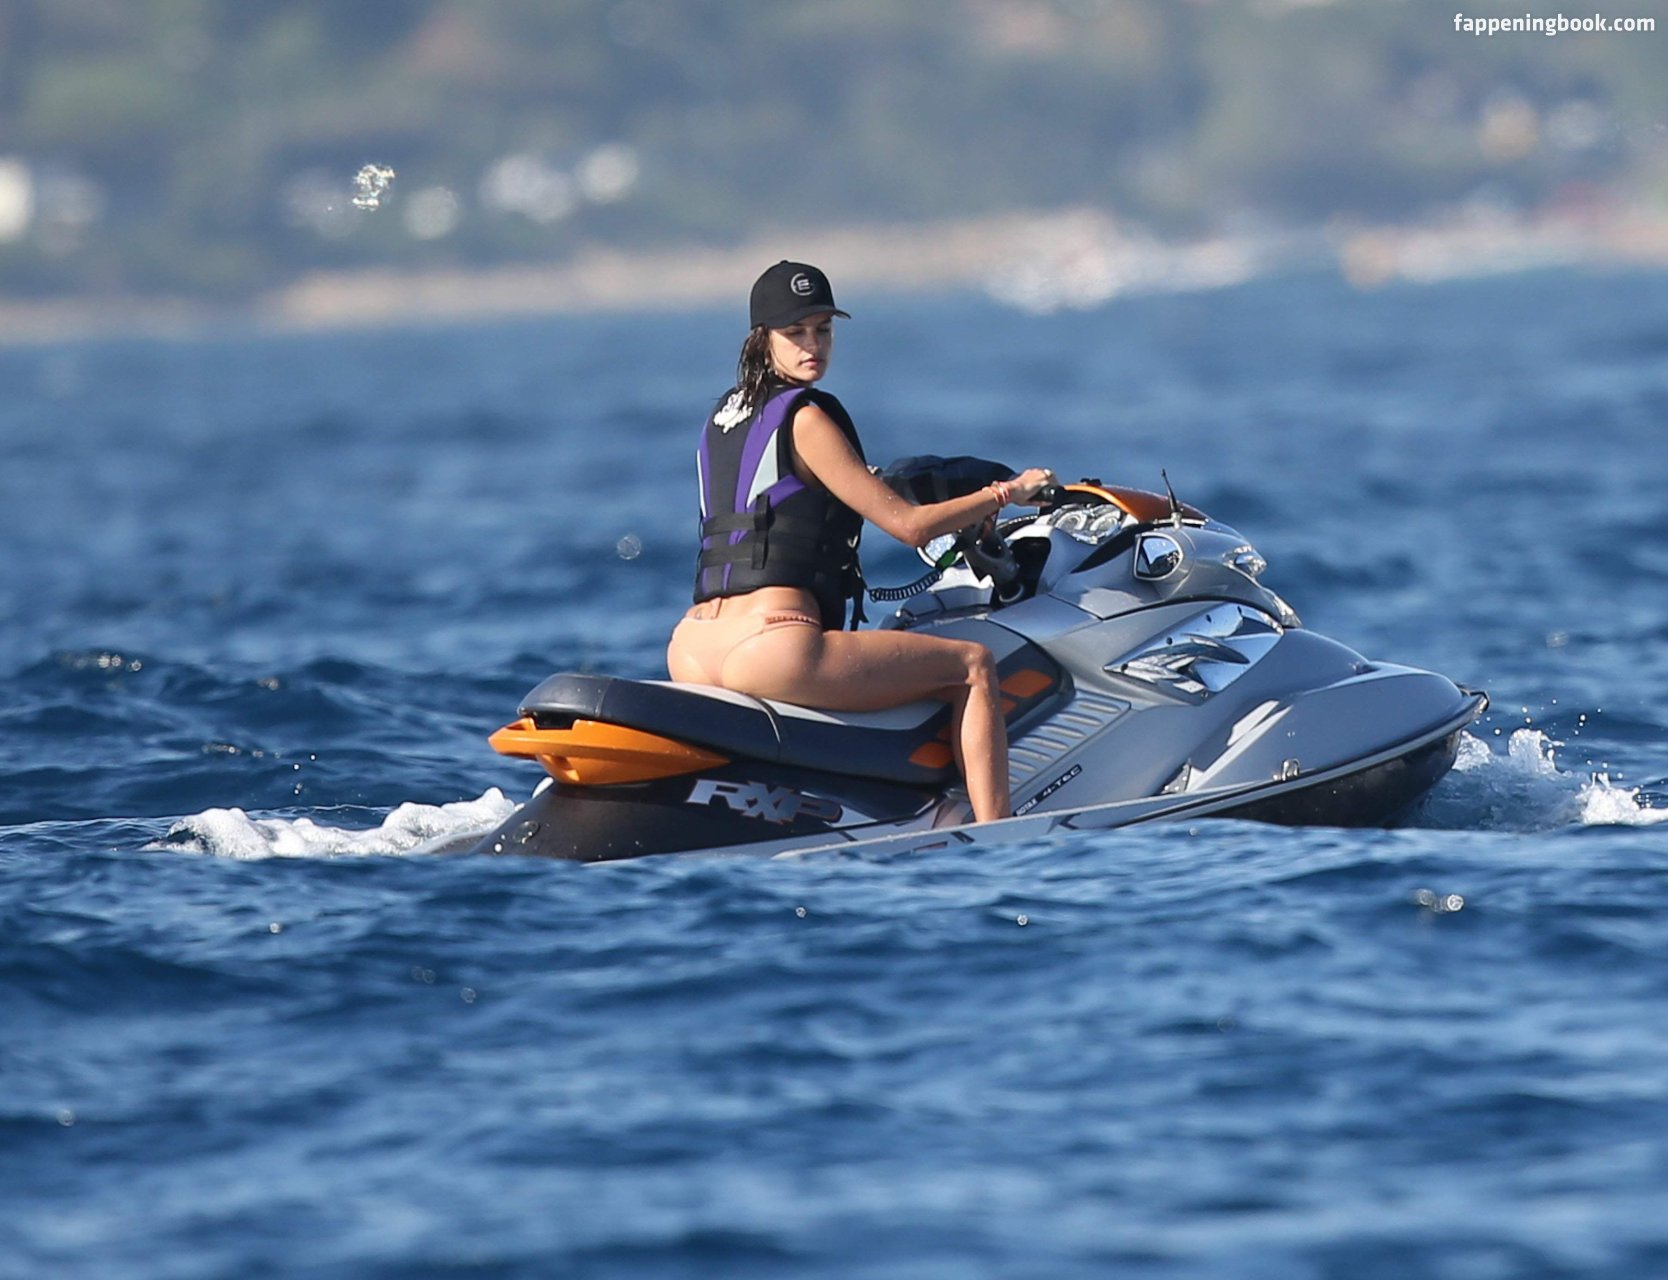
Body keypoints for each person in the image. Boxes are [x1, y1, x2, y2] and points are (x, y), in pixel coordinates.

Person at [666, 261, 1054, 821]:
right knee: (973, 665)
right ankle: (999, 838)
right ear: (761, 338)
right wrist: (1006, 493)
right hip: (772, 647)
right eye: (795, 332)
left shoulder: (721, 420)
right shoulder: (806, 418)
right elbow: (910, 527)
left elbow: (779, 501)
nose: (812, 346)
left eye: (823, 330)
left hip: (693, 647)